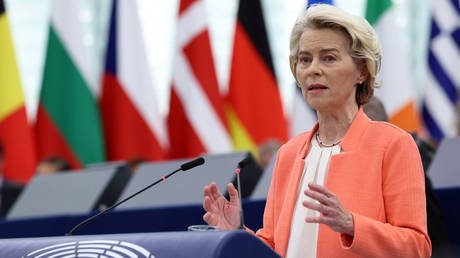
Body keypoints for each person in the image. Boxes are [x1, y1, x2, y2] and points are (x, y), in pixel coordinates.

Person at [202, 4, 431, 257]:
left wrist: (352, 225)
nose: (312, 69)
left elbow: (417, 247)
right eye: (304, 60)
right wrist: (236, 233)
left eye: (329, 58)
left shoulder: (393, 145)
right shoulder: (289, 153)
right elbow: (274, 248)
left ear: (362, 71)